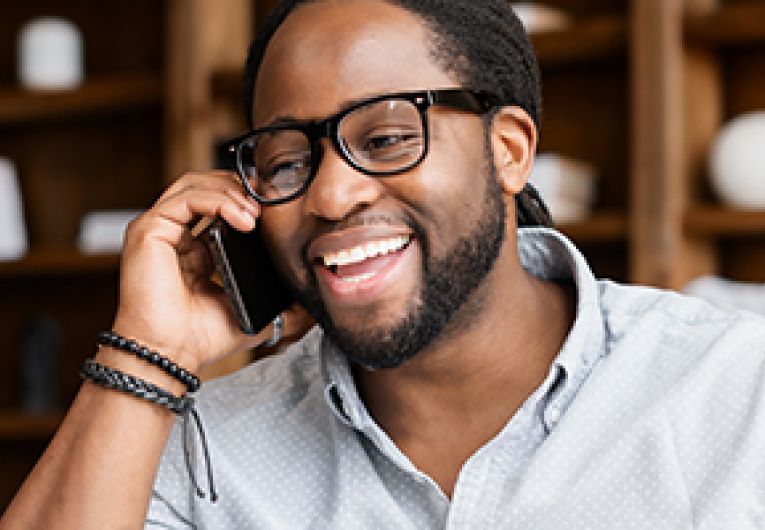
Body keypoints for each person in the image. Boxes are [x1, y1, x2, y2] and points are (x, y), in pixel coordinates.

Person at [3, 0, 765, 528]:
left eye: (388, 138)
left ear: (507, 151)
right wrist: (151, 353)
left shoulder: (734, 390)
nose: (330, 195)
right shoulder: (202, 447)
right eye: (287, 159)